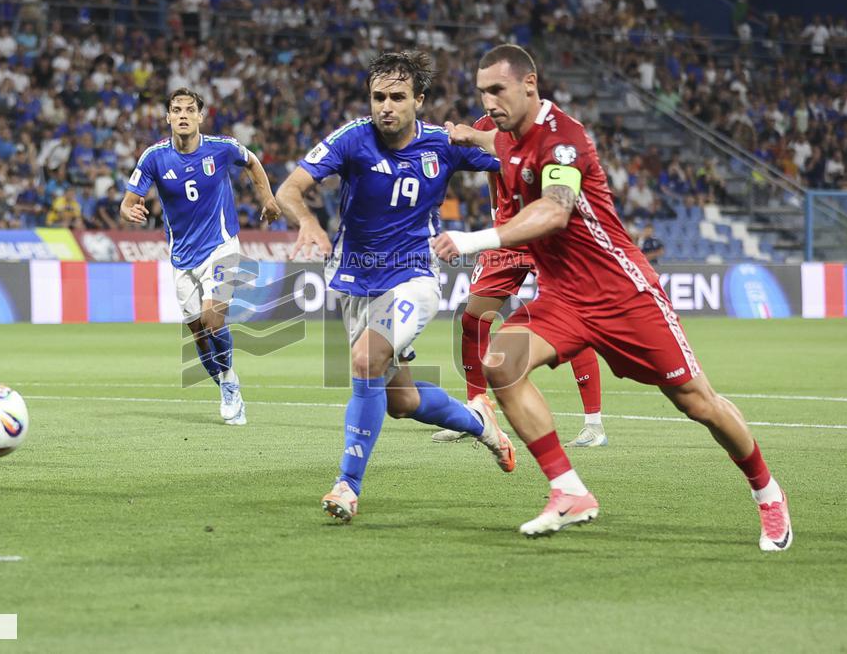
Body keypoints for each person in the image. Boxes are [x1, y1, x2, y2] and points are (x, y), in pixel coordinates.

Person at [435, 44, 791, 552]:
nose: (488, 101)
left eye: (497, 89)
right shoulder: (510, 138)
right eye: (481, 92)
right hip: (564, 297)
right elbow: (495, 142)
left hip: (623, 294)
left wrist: (474, 239)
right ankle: (568, 489)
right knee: (501, 363)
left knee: (698, 404)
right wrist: (468, 133)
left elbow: (555, 211)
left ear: (530, 85)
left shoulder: (564, 140)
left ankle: (768, 492)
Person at [275, 51, 515, 523]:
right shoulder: (352, 138)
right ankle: (481, 425)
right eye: (378, 97)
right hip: (353, 280)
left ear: (418, 100)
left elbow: (516, 155)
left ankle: (348, 484)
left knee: (365, 358)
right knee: (401, 401)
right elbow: (289, 189)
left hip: (413, 277)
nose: (386, 106)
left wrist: (487, 136)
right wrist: (306, 222)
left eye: (398, 97)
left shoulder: (441, 145)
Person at [431, 113, 607, 448]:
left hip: (545, 232)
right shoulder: (483, 126)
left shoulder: (546, 128)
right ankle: (476, 412)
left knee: (570, 321)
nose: (493, 99)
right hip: (506, 235)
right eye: (487, 92)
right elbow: (481, 166)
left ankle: (593, 424)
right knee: (472, 319)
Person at [120, 88, 281, 426]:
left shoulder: (221, 149)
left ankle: (230, 385)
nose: (182, 114)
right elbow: (128, 200)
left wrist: (266, 198)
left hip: (221, 247)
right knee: (198, 334)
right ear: (167, 117)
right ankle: (225, 381)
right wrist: (129, 211)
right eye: (176, 109)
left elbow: (252, 162)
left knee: (213, 321)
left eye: (189, 109)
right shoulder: (154, 157)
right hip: (181, 256)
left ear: (199, 116)